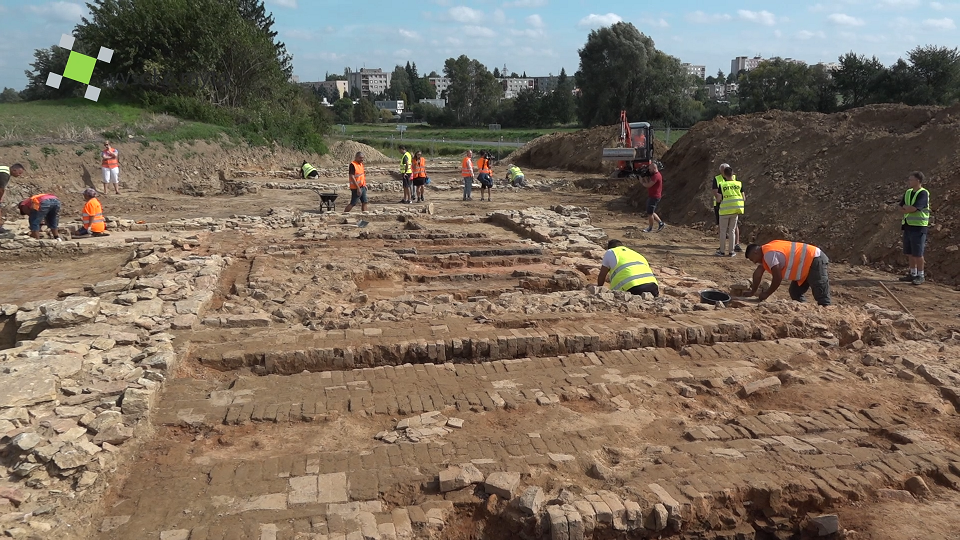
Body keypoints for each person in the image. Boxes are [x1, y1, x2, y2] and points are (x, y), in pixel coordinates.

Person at [744, 240, 831, 306]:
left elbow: (777, 278)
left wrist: (767, 293)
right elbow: (757, 274)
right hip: (804, 265)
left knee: (821, 294)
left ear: (755, 252)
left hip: (814, 259)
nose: (754, 262)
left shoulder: (769, 254)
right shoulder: (766, 251)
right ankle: (804, 311)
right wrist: (753, 292)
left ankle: (827, 316)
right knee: (795, 292)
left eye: (752, 259)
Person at [897, 171, 930, 285]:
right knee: (909, 252)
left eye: (911, 180)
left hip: (919, 227)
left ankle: (921, 275)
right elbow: (900, 208)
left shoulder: (923, 193)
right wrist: (907, 208)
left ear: (918, 181)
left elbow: (914, 208)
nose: (909, 182)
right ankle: (913, 273)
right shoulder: (908, 192)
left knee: (918, 253)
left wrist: (908, 208)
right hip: (907, 226)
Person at [716, 165, 744, 257]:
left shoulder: (722, 185)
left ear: (724, 174)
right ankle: (731, 252)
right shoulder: (739, 184)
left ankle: (722, 251)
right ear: (733, 174)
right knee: (732, 231)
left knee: (723, 231)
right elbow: (744, 198)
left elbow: (719, 199)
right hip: (735, 210)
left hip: (724, 211)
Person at [0, 163, 26, 234]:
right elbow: (1, 189)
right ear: (14, 170)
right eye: (19, 173)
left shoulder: (3, 168)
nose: (19, 175)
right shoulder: (5, 174)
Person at [639, 161, 665, 233]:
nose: (649, 171)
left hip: (654, 196)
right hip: (653, 196)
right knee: (651, 211)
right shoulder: (654, 175)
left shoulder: (656, 176)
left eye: (650, 169)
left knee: (650, 213)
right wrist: (645, 178)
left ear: (654, 168)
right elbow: (648, 183)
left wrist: (641, 181)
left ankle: (650, 228)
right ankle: (660, 223)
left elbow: (648, 185)